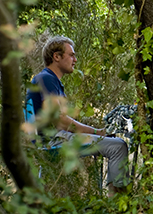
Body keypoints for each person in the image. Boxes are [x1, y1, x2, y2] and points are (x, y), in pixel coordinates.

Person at [26, 35, 129, 197]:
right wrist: (97, 132)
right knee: (118, 146)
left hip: (45, 143)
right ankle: (118, 205)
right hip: (53, 142)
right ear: (57, 57)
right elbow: (60, 121)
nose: (75, 59)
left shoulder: (47, 80)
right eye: (71, 55)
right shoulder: (46, 78)